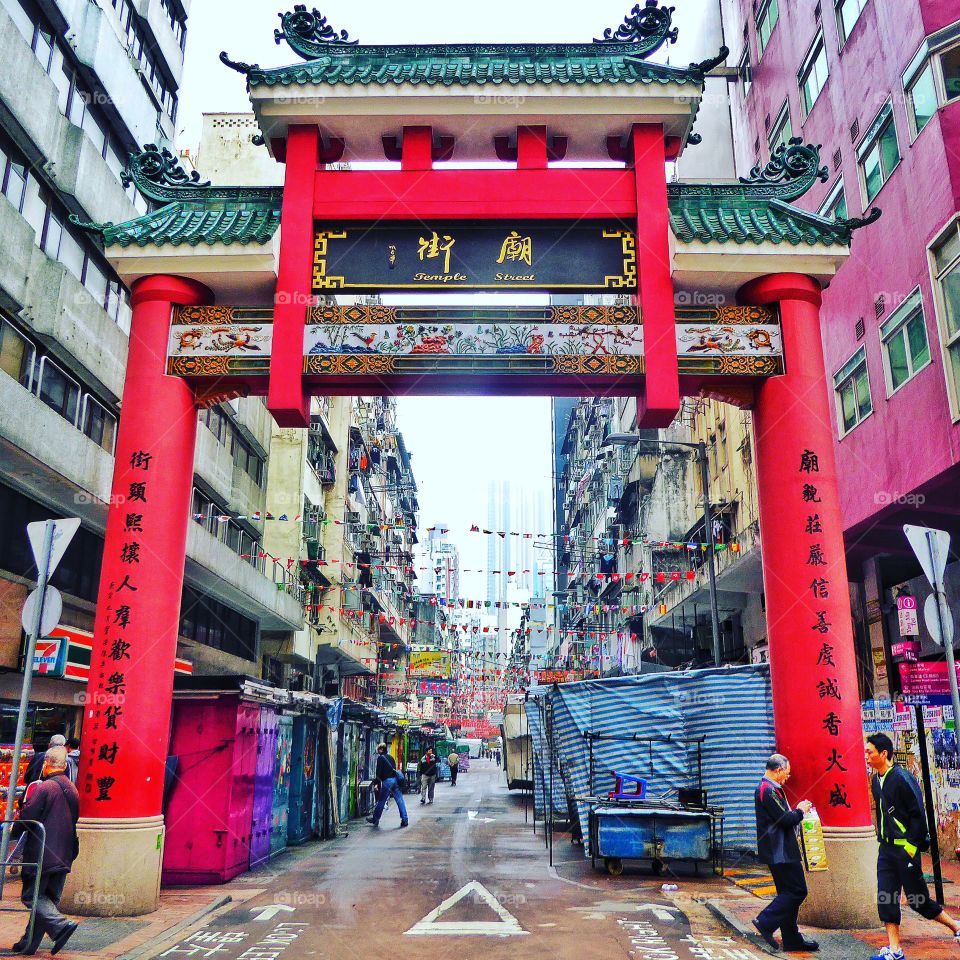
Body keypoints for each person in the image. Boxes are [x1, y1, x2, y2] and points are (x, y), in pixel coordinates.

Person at [866, 733, 960, 960]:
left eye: (870, 752)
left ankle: (956, 926)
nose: (866, 756)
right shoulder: (876, 780)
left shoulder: (902, 779)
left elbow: (918, 815)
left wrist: (910, 846)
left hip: (904, 850)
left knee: (918, 900)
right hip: (886, 850)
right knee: (886, 897)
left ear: (883, 753)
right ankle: (895, 950)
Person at [10, 745, 79, 956]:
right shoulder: (72, 788)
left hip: (43, 854)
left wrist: (15, 825)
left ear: (46, 764)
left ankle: (60, 926)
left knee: (32, 897)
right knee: (46, 898)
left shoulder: (45, 788)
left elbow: (28, 818)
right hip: (64, 853)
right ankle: (28, 943)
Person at [751, 754, 819, 954]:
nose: (787, 778)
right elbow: (785, 819)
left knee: (787, 893)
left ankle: (791, 939)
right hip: (780, 851)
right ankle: (765, 921)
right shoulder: (768, 790)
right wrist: (800, 810)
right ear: (778, 770)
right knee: (797, 891)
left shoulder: (769, 789)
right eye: (786, 774)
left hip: (779, 850)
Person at [366, 744, 408, 829]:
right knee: (400, 800)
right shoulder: (391, 757)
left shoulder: (381, 758)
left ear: (381, 749)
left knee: (381, 800)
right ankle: (405, 819)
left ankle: (375, 819)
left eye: (378, 750)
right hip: (395, 780)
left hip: (387, 782)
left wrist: (376, 783)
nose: (377, 751)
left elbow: (378, 772)